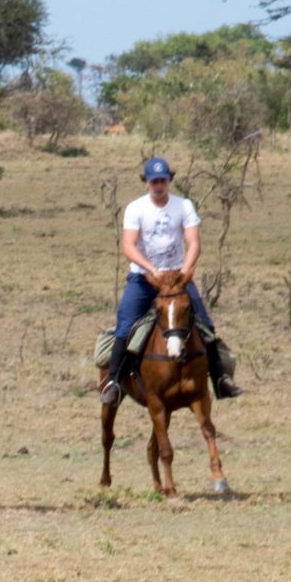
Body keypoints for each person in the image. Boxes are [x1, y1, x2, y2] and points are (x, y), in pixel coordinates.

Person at [101, 157, 243, 406]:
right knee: (126, 325)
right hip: (144, 278)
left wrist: (185, 272)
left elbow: (194, 242)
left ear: (169, 181)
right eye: (154, 181)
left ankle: (220, 379)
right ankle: (113, 382)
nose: (158, 186)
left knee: (205, 325)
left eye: (163, 180)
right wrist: (150, 269)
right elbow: (129, 246)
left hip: (177, 277)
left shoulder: (184, 206)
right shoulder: (136, 208)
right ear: (146, 183)